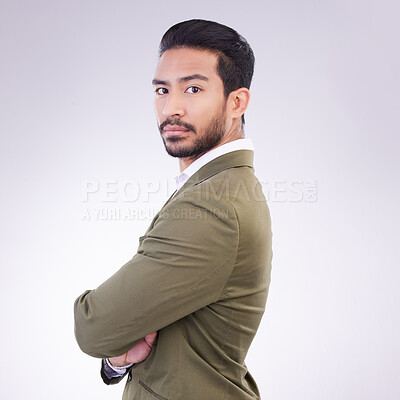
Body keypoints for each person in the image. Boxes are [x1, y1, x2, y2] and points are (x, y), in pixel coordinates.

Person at [74, 19, 273, 400]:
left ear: (237, 102)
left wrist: (105, 334)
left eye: (193, 88)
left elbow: (93, 327)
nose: (171, 107)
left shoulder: (213, 204)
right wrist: (117, 360)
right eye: (162, 90)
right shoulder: (219, 187)